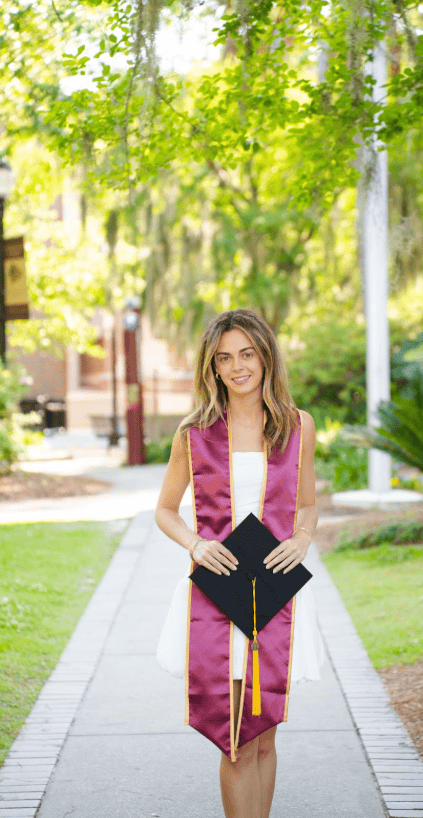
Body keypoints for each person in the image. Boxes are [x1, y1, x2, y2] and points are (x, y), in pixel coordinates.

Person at [155, 308, 325, 818]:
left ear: (265, 356)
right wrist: (195, 545)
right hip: (221, 590)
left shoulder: (297, 426)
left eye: (247, 354)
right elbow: (165, 510)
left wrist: (302, 538)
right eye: (225, 358)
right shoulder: (194, 433)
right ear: (212, 367)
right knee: (235, 739)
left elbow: (308, 504)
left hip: (275, 590)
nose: (237, 367)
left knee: (265, 737)